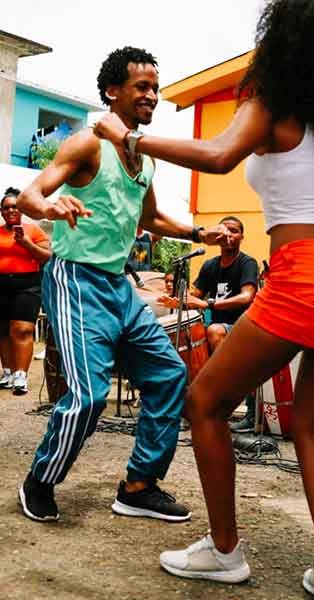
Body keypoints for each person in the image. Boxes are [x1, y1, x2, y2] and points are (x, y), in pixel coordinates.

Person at [94, 2, 314, 596]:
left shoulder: (269, 108)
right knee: (310, 426)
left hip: (307, 275)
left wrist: (129, 135)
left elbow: (217, 157)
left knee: (205, 402)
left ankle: (225, 550)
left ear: (282, 47)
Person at [16, 46, 228, 525]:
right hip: (76, 280)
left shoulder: (145, 159)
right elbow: (31, 194)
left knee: (168, 375)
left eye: (156, 88)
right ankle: (40, 481)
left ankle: (138, 486)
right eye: (142, 87)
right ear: (113, 91)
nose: (152, 95)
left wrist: (199, 233)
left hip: (117, 285)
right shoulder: (87, 144)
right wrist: (50, 207)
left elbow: (150, 218)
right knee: (88, 396)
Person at [158, 215, 259, 432]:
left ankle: (229, 392)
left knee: (213, 330)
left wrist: (208, 303)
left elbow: (247, 296)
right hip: (219, 329)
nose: (229, 234)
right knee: (190, 339)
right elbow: (195, 295)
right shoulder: (210, 265)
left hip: (245, 327)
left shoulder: (247, 263)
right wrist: (178, 299)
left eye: (234, 231)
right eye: (224, 230)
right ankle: (197, 405)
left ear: (242, 237)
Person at [0, 187, 51, 395]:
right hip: (1, 284)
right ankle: (8, 372)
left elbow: (47, 257)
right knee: (3, 331)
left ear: (21, 209)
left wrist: (26, 243)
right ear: (2, 211)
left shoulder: (34, 231)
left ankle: (21, 375)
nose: (11, 210)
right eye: (6, 208)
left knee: (22, 329)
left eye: (15, 206)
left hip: (27, 284)